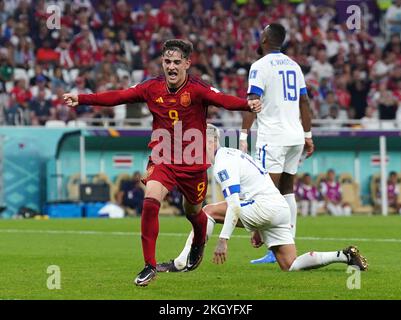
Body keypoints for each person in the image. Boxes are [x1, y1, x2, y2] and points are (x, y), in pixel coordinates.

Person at [63, 39, 261, 286]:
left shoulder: (198, 89)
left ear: (187, 64)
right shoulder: (151, 87)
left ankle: (198, 242)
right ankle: (149, 266)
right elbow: (118, 96)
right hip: (163, 157)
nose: (171, 66)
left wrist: (247, 104)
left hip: (193, 162)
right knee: (150, 201)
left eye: (177, 62)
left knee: (194, 213)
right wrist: (81, 98)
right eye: (167, 61)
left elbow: (225, 101)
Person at [157, 124, 368, 273]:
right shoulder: (235, 154)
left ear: (210, 141)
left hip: (264, 207)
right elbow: (258, 187)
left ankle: (181, 262)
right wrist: (259, 228)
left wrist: (223, 240)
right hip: (278, 208)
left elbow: (235, 204)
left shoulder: (223, 163)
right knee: (290, 264)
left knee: (207, 211)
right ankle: (344, 255)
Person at [239, 23, 314, 264]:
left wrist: (243, 137)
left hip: (273, 137)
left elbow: (253, 101)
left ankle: (274, 248)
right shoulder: (294, 65)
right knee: (287, 189)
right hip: (294, 137)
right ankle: (288, 241)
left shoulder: (259, 66)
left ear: (264, 39)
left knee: (266, 191)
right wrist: (308, 134)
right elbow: (304, 102)